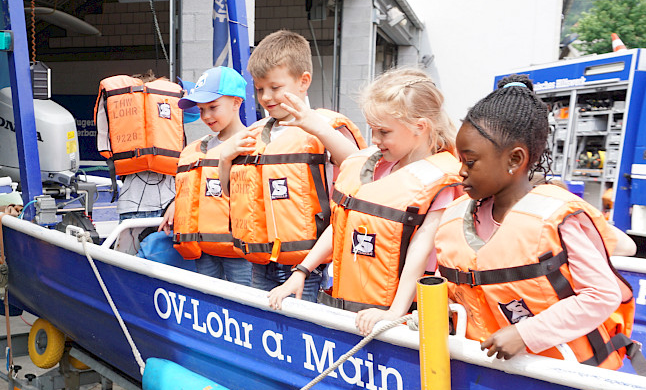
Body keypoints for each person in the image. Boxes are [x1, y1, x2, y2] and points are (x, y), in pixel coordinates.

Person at [434, 75, 639, 369]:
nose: (461, 173)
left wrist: (526, 333)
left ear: (515, 159)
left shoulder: (554, 219)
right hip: (488, 372)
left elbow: (602, 295)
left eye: (470, 162)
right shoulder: (457, 219)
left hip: (564, 378)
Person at [268, 68, 461, 334]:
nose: (375, 140)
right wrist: (301, 271)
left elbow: (421, 248)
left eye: (383, 132)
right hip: (349, 306)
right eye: (372, 130)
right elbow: (341, 225)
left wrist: (394, 311)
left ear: (420, 126)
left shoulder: (440, 181)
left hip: (401, 317)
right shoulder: (374, 166)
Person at [217, 30, 364, 301]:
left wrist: (318, 129)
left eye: (275, 87)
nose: (266, 97)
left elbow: (359, 171)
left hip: (311, 265)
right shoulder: (255, 132)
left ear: (303, 81)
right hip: (261, 263)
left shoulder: (326, 127)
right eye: (260, 89)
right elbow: (231, 192)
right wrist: (225, 159)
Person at [158, 66, 251, 285]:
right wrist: (176, 204)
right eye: (201, 110)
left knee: (244, 303)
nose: (206, 116)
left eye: (213, 107)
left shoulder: (252, 144)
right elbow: (199, 186)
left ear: (237, 102)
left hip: (241, 252)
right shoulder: (201, 148)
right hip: (205, 248)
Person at [95, 72, 184, 255]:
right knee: (166, 261)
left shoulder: (124, 118)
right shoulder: (170, 116)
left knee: (127, 263)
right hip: (170, 205)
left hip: (132, 205)